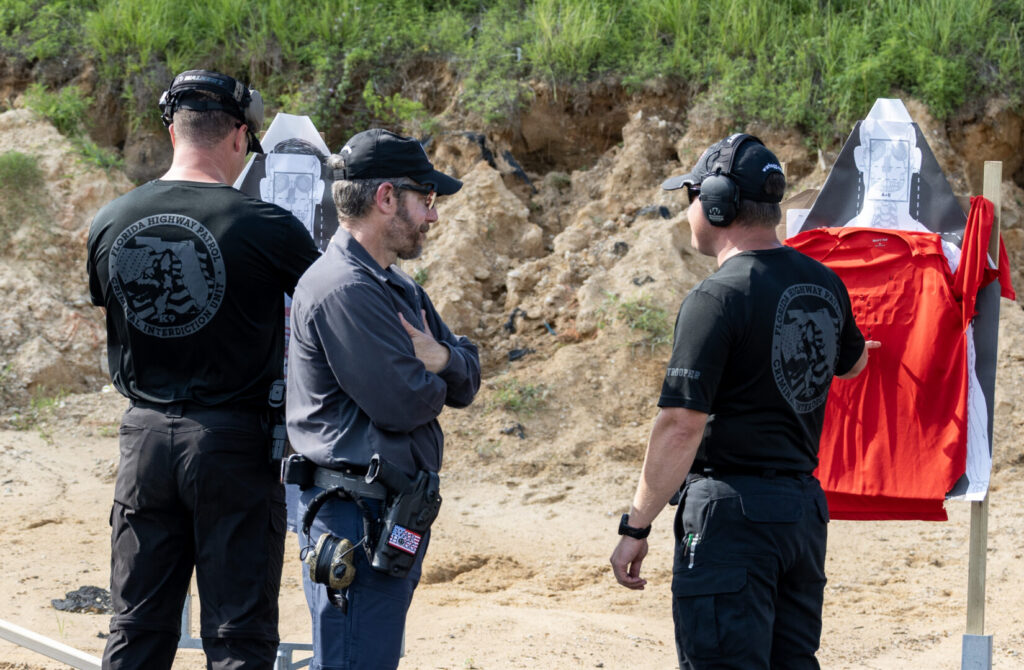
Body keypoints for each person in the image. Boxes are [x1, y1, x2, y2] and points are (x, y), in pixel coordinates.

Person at [609, 133, 878, 669]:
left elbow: (680, 426)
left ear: (716, 202)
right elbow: (853, 363)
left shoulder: (717, 297)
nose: (688, 210)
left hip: (732, 520)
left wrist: (635, 527)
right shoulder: (824, 283)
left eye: (692, 196)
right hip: (801, 516)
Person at [87, 69, 320, 669]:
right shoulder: (267, 227)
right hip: (233, 446)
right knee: (237, 636)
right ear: (240, 137)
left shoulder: (111, 221)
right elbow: (331, 310)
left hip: (143, 440)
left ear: (172, 130)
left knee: (136, 627)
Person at [286, 128, 481, 670]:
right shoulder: (346, 287)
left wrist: (439, 359)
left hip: (385, 513)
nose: (433, 217)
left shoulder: (394, 286)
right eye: (427, 199)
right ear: (386, 198)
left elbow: (466, 376)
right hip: (354, 516)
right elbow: (407, 403)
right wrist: (442, 367)